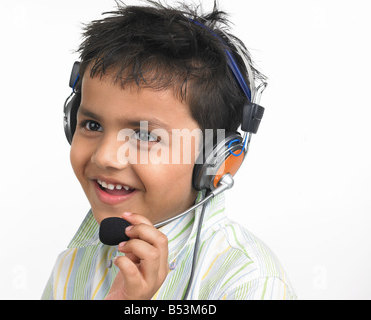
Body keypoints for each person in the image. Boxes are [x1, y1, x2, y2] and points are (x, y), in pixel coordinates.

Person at [42, 0, 296, 300]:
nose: (106, 156)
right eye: (93, 125)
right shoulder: (71, 266)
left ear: (215, 159)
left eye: (145, 136)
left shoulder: (249, 281)